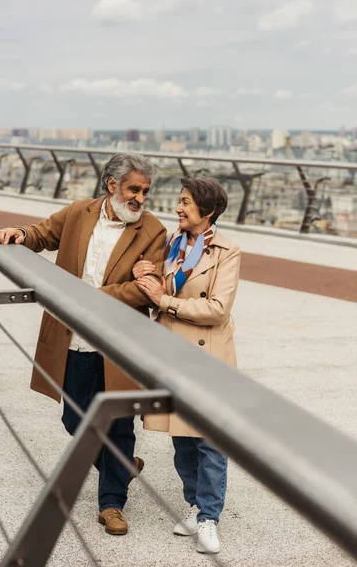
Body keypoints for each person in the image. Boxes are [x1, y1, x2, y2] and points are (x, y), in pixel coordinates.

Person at [0, 153, 166, 536]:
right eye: (133, 189)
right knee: (74, 420)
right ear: (112, 186)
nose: (140, 197)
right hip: (72, 336)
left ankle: (112, 504)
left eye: (145, 191)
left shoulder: (153, 231)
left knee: (118, 423)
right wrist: (20, 234)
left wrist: (90, 295)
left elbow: (144, 291)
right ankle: (120, 465)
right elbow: (42, 234)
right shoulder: (78, 212)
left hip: (118, 343)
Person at [132, 177, 241, 554]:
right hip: (171, 351)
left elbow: (216, 310)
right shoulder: (171, 245)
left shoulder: (227, 251)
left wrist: (165, 301)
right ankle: (196, 507)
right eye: (179, 201)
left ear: (207, 211)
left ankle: (209, 517)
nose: (178, 208)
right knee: (182, 438)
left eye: (185, 203)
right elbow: (155, 286)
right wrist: (144, 276)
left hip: (207, 353)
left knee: (209, 439)